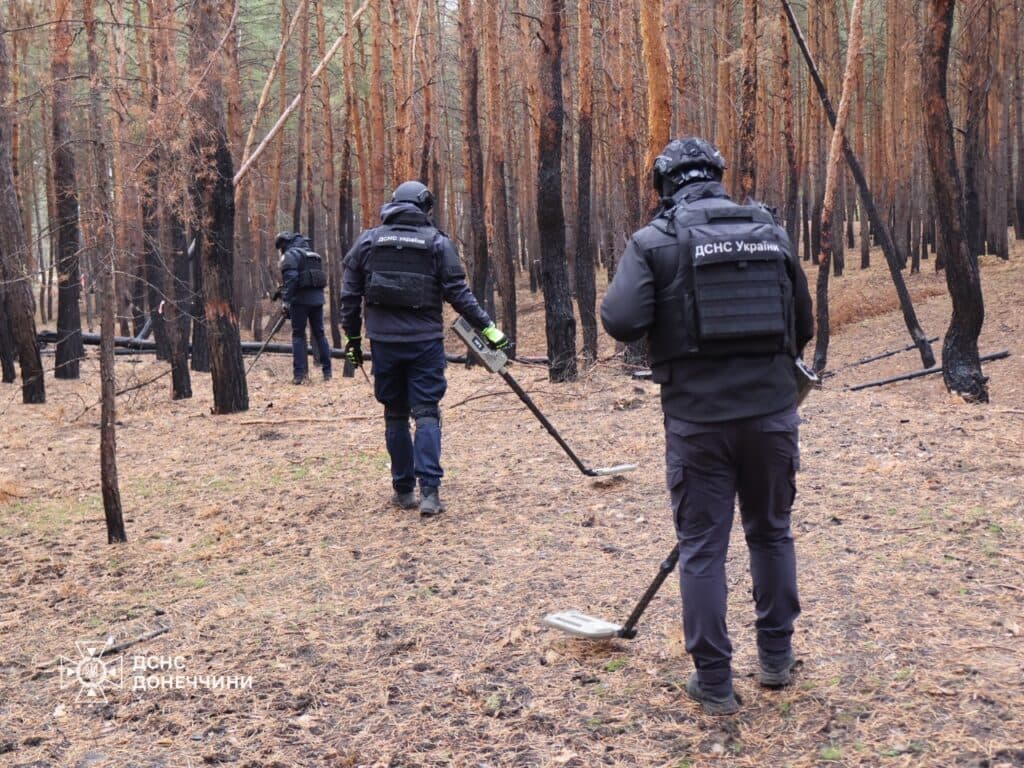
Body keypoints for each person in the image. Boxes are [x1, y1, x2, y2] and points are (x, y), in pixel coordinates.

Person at [600, 138, 814, 715]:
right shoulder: (770, 231)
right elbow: (804, 321)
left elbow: (620, 321)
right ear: (717, 177)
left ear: (664, 186)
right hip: (772, 415)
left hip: (698, 422)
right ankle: (776, 658)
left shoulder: (655, 241)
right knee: (771, 532)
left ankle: (715, 682)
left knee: (702, 548)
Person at [341, 180, 508, 517]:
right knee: (427, 412)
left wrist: (353, 341)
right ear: (423, 206)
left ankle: (403, 490)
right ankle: (429, 492)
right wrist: (488, 328)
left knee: (395, 414)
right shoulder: (437, 242)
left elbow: (348, 296)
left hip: (385, 345)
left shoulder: (369, 241)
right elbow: (459, 293)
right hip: (425, 345)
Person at [276, 231, 332, 385]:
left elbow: (292, 280)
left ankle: (299, 375)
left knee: (299, 336)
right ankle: (327, 372)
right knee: (320, 334)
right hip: (317, 300)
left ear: (285, 244)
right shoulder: (313, 255)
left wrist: (286, 301)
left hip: (300, 301)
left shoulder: (290, 256)